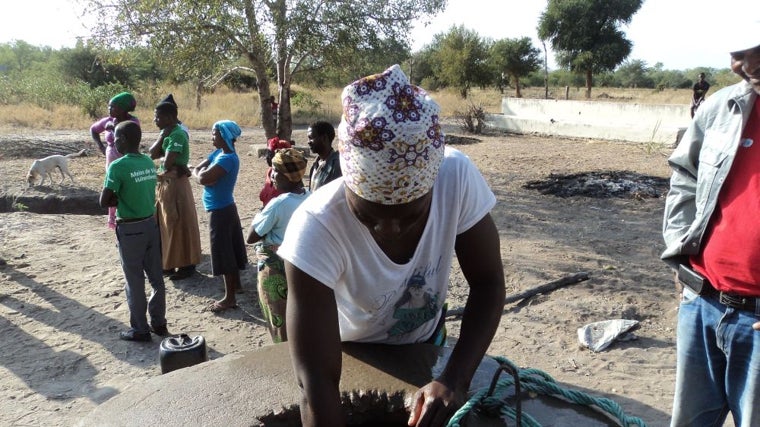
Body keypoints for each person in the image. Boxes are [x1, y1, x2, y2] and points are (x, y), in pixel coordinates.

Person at [278, 64, 506, 426]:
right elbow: (316, 381)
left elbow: (489, 283)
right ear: (348, 182)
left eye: (410, 216)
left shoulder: (456, 178)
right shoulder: (316, 227)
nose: (388, 229)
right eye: (369, 215)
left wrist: (454, 380)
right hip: (350, 349)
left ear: (433, 183)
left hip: (426, 337)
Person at [662, 25, 760, 427]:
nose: (741, 64)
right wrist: (680, 252)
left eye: (753, 49)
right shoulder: (721, 107)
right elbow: (684, 175)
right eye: (736, 51)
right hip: (701, 303)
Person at [99, 121, 168, 342]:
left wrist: (120, 198)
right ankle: (159, 322)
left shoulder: (117, 167)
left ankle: (140, 329)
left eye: (117, 138)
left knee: (135, 281)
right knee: (157, 279)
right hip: (151, 225)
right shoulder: (148, 162)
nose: (114, 141)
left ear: (126, 140)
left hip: (130, 230)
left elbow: (104, 200)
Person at [247, 148, 310, 343]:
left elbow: (251, 236)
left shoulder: (279, 204)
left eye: (275, 171)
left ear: (286, 176)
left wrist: (261, 213)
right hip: (302, 265)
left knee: (278, 317)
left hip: (275, 270)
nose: (271, 175)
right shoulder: (310, 197)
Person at [192, 120, 248, 313]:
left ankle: (229, 298)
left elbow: (203, 177)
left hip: (220, 210)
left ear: (224, 135)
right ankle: (237, 286)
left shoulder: (226, 159)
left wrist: (196, 172)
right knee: (231, 249)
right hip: (225, 207)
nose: (212, 137)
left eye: (215, 133)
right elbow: (204, 170)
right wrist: (201, 172)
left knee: (224, 252)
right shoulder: (220, 154)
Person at [149, 97, 202, 281]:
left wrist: (166, 162)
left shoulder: (179, 135)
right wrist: (163, 134)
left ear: (170, 117)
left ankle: (187, 265)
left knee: (178, 222)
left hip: (176, 185)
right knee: (166, 223)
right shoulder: (169, 133)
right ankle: (170, 263)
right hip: (167, 182)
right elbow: (153, 154)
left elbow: (168, 161)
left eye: (158, 117)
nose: (155, 121)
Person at [90, 91, 140, 229]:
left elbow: (132, 137)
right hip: (111, 160)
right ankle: (115, 220)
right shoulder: (107, 121)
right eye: (109, 106)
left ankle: (129, 214)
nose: (109, 109)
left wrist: (114, 127)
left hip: (127, 159)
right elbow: (93, 130)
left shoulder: (132, 122)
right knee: (113, 188)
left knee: (127, 187)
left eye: (113, 106)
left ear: (123, 109)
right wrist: (101, 146)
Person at [306, 121, 342, 191]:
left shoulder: (337, 165)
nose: (308, 142)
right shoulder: (315, 164)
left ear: (324, 138)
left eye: (311, 138)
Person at [258, 136, 291, 207]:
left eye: (271, 154)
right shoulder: (270, 171)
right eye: (268, 153)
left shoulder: (287, 178)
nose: (268, 157)